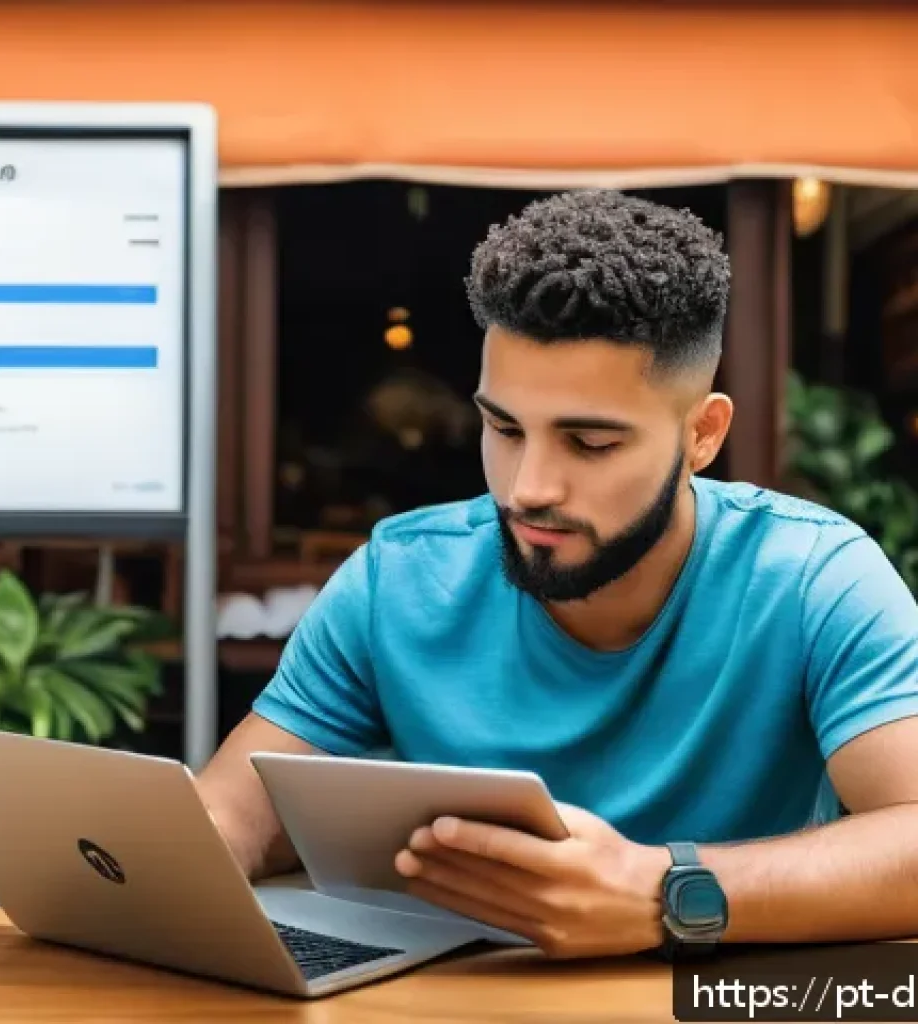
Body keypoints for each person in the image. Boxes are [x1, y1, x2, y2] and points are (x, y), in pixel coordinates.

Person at [196, 189, 918, 960]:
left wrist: (660, 893)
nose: (527, 486)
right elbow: (231, 818)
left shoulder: (813, 576)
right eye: (504, 428)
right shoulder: (396, 580)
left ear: (702, 435)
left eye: (590, 443)